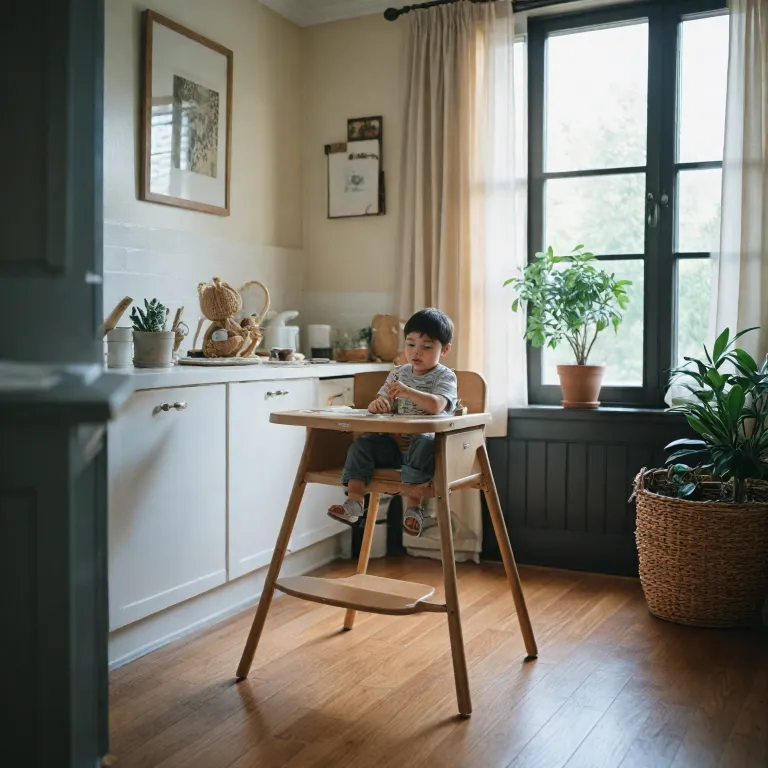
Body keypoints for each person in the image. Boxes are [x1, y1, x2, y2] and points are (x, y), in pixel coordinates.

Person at [327, 308, 457, 537]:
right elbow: (382, 400)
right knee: (361, 446)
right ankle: (354, 502)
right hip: (394, 446)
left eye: (426, 347)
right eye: (410, 344)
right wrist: (377, 405)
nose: (416, 352)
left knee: (425, 442)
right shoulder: (398, 374)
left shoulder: (445, 376)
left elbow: (438, 405)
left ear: (444, 350)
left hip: (427, 451)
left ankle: (413, 506)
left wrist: (408, 392)